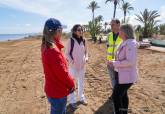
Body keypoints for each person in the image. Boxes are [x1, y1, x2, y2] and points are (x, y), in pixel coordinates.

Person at [41, 18, 75, 114]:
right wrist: (71, 84)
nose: (61, 33)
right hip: (57, 92)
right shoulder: (52, 49)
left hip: (53, 89)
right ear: (57, 31)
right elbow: (62, 73)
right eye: (61, 30)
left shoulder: (46, 45)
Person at [108, 24, 138, 114]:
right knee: (123, 95)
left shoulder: (131, 44)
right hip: (121, 74)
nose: (118, 32)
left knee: (116, 96)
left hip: (127, 76)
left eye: (120, 30)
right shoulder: (124, 42)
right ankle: (124, 112)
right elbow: (121, 58)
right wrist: (113, 61)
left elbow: (130, 61)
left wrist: (114, 63)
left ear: (125, 32)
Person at [65, 24, 88, 109]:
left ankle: (81, 98)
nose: (81, 31)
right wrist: (71, 62)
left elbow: (86, 52)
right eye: (79, 30)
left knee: (81, 83)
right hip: (73, 67)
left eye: (81, 30)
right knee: (71, 84)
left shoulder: (84, 40)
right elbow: (66, 54)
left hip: (82, 66)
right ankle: (72, 101)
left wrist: (86, 58)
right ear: (74, 31)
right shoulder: (70, 41)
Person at [107, 19, 122, 98]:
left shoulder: (123, 35)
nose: (111, 26)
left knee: (119, 79)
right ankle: (114, 93)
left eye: (112, 25)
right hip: (110, 62)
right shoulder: (109, 35)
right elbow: (108, 47)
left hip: (119, 62)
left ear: (118, 25)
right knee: (112, 79)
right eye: (111, 25)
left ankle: (119, 94)